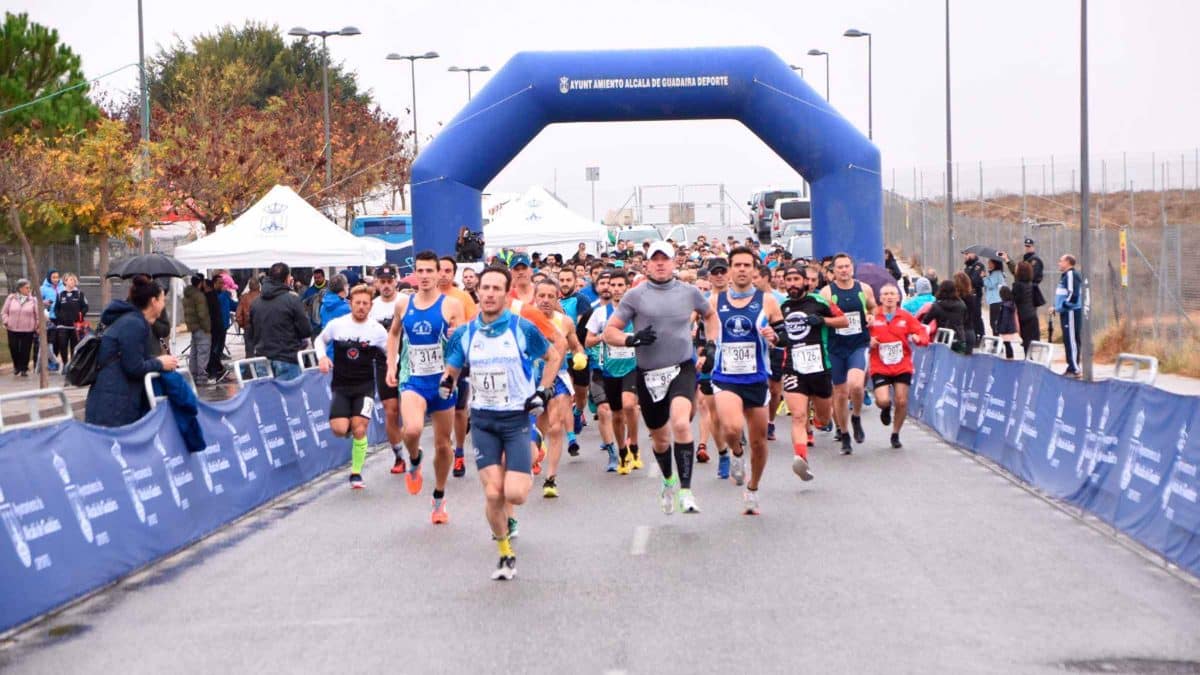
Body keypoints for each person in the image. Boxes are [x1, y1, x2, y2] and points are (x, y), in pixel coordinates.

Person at [440, 266, 561, 580]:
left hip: (516, 419)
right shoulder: (466, 333)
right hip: (482, 421)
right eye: (485, 288)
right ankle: (505, 553)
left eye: (497, 288)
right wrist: (446, 383)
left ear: (507, 294)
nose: (490, 293)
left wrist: (543, 391)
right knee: (494, 494)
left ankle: (535, 442)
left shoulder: (522, 328)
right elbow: (452, 368)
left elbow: (553, 356)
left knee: (516, 494)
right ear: (477, 292)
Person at [604, 241, 719, 515]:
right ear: (646, 264)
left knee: (681, 423)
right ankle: (669, 480)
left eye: (664, 259)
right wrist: (631, 339)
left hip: (681, 367)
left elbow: (711, 315)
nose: (659, 264)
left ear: (674, 262)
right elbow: (610, 332)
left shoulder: (690, 292)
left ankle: (686, 491)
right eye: (654, 259)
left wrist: (711, 345)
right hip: (648, 373)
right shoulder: (635, 296)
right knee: (660, 438)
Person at [385, 251, 466, 524]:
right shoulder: (403, 304)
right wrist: (390, 364)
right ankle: (415, 459)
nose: (425, 276)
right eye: (420, 271)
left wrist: (457, 335)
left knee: (444, 446)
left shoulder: (452, 304)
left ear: (439, 274)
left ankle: (439, 499)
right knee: (413, 429)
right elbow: (394, 333)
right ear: (414, 273)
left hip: (442, 382)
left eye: (430, 271)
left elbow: (463, 341)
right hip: (413, 379)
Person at [708, 247, 783, 515]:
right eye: (737, 265)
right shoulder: (715, 301)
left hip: (757, 377)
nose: (741, 269)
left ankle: (752, 488)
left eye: (747, 265)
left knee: (759, 441)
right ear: (729, 270)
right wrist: (704, 348)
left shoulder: (768, 301)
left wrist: (773, 336)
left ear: (755, 270)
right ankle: (736, 454)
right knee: (730, 426)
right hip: (725, 376)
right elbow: (703, 330)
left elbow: (782, 336)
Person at [776, 265, 848, 478]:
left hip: (819, 367)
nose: (791, 284)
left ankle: (819, 422)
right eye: (788, 280)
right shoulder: (783, 307)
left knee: (824, 419)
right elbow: (781, 334)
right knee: (798, 416)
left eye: (796, 279)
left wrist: (823, 321)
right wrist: (776, 338)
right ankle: (801, 459)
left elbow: (844, 321)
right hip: (793, 367)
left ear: (805, 282)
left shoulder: (820, 302)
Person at [315, 284, 388, 489]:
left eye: (365, 304)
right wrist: (322, 358)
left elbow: (391, 352)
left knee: (359, 427)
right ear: (350, 303)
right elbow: (319, 341)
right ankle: (350, 431)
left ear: (370, 306)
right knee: (339, 429)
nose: (361, 307)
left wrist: (392, 368)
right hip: (341, 385)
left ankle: (356, 472)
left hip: (365, 386)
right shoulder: (338, 324)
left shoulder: (377, 330)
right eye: (358, 303)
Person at [85, 276, 178, 427]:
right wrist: (160, 363)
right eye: (162, 300)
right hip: (114, 406)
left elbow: (134, 357)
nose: (163, 304)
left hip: (116, 399)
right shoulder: (133, 324)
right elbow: (134, 367)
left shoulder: (134, 321)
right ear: (153, 302)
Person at [533, 279, 586, 497]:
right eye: (541, 296)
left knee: (556, 427)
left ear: (557, 299)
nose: (545, 300)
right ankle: (537, 450)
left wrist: (579, 355)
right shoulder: (524, 320)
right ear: (535, 297)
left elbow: (575, 346)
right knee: (538, 429)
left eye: (550, 296)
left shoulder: (565, 322)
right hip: (533, 378)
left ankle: (550, 479)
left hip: (560, 377)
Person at [820, 253, 877, 454]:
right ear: (833, 271)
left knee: (856, 385)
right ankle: (844, 433)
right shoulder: (827, 293)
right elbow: (821, 317)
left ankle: (857, 417)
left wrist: (871, 316)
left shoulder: (864, 288)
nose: (844, 270)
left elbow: (873, 307)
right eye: (840, 267)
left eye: (847, 266)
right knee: (841, 393)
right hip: (836, 347)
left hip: (858, 344)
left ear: (852, 268)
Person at [585, 271, 640, 473]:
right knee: (616, 415)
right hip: (609, 369)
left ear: (627, 287)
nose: (616, 289)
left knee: (629, 405)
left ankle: (634, 443)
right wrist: (605, 336)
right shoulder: (600, 313)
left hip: (631, 366)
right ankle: (622, 451)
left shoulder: (636, 312)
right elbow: (587, 341)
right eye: (613, 285)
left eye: (620, 285)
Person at [867, 284, 929, 449]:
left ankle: (895, 433)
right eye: (885, 294)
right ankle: (885, 408)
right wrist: (869, 341)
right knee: (882, 400)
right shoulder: (873, 316)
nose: (889, 297)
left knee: (901, 401)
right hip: (880, 365)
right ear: (880, 298)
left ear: (898, 297)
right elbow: (860, 335)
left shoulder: (905, 317)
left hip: (902, 365)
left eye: (892, 294)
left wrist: (919, 338)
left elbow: (922, 332)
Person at [438, 256, 479, 478]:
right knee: (442, 409)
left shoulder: (462, 297)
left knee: (460, 409)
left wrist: (460, 329)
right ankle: (444, 448)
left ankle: (460, 452)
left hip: (458, 358)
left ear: (453, 274)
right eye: (440, 270)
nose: (443, 274)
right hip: (434, 362)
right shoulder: (427, 297)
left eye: (447, 270)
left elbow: (475, 325)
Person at [368, 265, 406, 475]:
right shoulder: (371, 306)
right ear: (376, 283)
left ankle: (411, 442)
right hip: (383, 362)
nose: (386, 286)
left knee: (409, 412)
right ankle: (399, 455)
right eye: (382, 282)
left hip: (407, 361)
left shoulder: (406, 302)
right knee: (391, 411)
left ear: (395, 281)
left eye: (389, 281)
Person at [248, 262, 312, 381]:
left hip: (262, 358)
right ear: (287, 278)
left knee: (267, 398)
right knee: (289, 397)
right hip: (287, 358)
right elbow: (306, 330)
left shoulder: (255, 303)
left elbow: (250, 333)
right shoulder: (292, 300)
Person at [921, 280, 971, 354]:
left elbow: (925, 322)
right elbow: (965, 319)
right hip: (959, 339)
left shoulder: (937, 306)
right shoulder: (962, 304)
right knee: (957, 364)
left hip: (942, 340)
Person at [3, 279, 39, 377]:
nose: (29, 289)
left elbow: (38, 315)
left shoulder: (33, 300)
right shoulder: (11, 298)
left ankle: (23, 368)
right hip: (12, 328)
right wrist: (7, 321)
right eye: (27, 288)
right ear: (20, 288)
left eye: (29, 288)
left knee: (25, 349)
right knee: (13, 347)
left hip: (28, 330)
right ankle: (16, 366)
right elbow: (4, 312)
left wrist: (37, 325)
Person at [1056, 254, 1083, 378]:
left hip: (1071, 312)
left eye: (1061, 261)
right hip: (1066, 312)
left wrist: (1064, 306)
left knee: (1071, 339)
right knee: (1069, 339)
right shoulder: (1065, 276)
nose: (1059, 263)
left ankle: (1074, 368)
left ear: (1068, 262)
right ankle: (1071, 365)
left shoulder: (1071, 275)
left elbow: (1073, 295)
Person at [52, 273, 88, 365]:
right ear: (65, 281)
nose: (73, 282)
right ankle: (65, 364)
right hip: (62, 326)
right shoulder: (60, 294)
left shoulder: (80, 294)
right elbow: (56, 308)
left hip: (75, 326)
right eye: (70, 280)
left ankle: (72, 365)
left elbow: (85, 307)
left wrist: (81, 314)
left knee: (74, 346)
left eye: (74, 280)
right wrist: (59, 316)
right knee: (63, 345)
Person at [183, 274, 212, 384]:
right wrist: (207, 328)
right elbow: (202, 314)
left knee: (194, 353)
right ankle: (202, 378)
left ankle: (193, 376)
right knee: (203, 352)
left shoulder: (187, 295)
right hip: (201, 328)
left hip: (193, 327)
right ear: (200, 283)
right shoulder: (199, 296)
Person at [204, 275, 232, 382]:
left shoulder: (223, 295)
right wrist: (225, 294)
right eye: (219, 283)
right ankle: (214, 371)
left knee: (219, 350)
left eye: (222, 283)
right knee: (214, 350)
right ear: (214, 283)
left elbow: (232, 305)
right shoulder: (214, 296)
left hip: (223, 326)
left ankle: (218, 370)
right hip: (216, 328)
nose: (222, 285)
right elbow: (217, 305)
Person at [1011, 261, 1041, 356]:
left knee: (1026, 340)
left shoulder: (1017, 285)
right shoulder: (1031, 284)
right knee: (1030, 341)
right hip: (1032, 315)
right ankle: (1030, 359)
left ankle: (1028, 361)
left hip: (1023, 316)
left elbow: (1014, 300)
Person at [39, 270, 63, 371]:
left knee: (58, 341)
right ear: (49, 277)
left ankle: (53, 362)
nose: (56, 279)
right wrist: (44, 302)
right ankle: (47, 362)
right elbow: (36, 301)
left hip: (61, 318)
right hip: (49, 317)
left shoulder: (63, 287)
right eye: (53, 277)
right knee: (49, 341)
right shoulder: (43, 288)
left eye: (57, 277)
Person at [962, 252, 986, 346]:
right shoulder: (967, 268)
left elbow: (974, 280)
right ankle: (973, 336)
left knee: (976, 316)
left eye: (967, 254)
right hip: (967, 296)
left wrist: (966, 280)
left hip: (975, 295)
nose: (965, 257)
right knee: (969, 317)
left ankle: (980, 336)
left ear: (973, 255)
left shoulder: (978, 266)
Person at [235, 277, 260, 360]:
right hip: (261, 325)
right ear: (259, 286)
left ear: (249, 286)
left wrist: (242, 324)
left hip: (248, 325)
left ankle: (250, 369)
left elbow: (238, 314)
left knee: (249, 350)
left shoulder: (244, 297)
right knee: (262, 349)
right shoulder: (263, 296)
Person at [954, 272, 980, 352]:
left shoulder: (956, 299)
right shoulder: (972, 298)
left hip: (958, 333)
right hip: (970, 331)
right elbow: (977, 316)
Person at [982, 258, 1006, 337]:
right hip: (994, 301)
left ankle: (997, 341)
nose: (988, 264)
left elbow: (990, 285)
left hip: (996, 301)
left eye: (990, 262)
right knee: (994, 322)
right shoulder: (995, 273)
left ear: (995, 264)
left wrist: (984, 277)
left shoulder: (997, 273)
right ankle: (997, 340)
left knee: (994, 322)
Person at [302, 268, 328, 332]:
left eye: (319, 277)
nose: (317, 279)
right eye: (315, 278)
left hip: (327, 323)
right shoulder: (309, 291)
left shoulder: (330, 288)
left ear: (324, 277)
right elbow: (303, 305)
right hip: (314, 326)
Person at [996, 286, 1019, 359]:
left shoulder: (1005, 306)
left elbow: (1005, 318)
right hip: (1010, 327)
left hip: (1005, 329)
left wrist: (1001, 329)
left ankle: (1009, 358)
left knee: (1007, 344)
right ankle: (1010, 357)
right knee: (1007, 344)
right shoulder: (1011, 304)